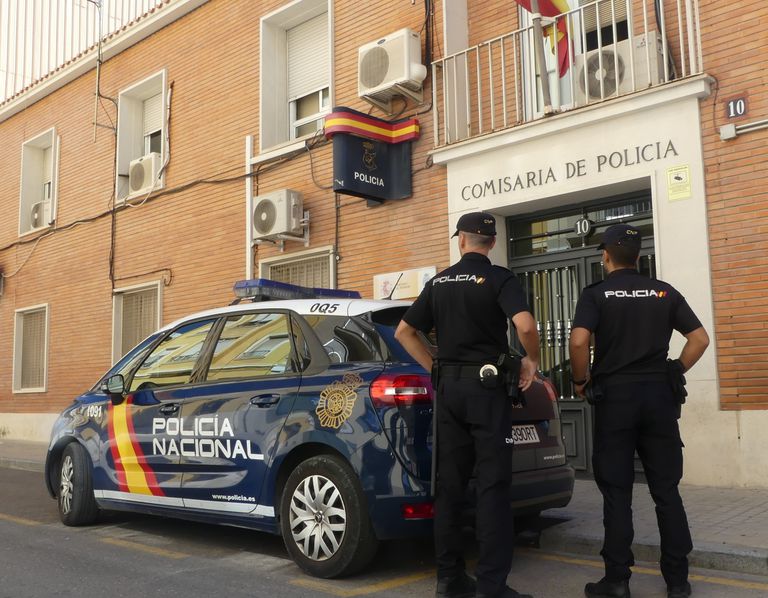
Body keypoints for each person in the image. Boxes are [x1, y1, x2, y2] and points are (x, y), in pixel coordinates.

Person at [395, 212, 540, 598]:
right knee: (493, 486)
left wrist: (435, 370)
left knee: (450, 486)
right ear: (491, 243)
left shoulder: (439, 282)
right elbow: (524, 326)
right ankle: (491, 586)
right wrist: (532, 360)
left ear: (460, 240)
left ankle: (449, 578)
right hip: (486, 389)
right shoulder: (498, 278)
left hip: (451, 392)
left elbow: (404, 332)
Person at [568, 223, 710, 598]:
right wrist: (675, 369)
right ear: (638, 256)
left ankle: (617, 581)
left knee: (617, 493)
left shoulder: (596, 294)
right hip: (658, 398)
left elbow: (579, 341)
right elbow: (700, 339)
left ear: (606, 256)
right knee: (667, 490)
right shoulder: (664, 292)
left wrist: (580, 381)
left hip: (616, 399)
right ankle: (677, 582)